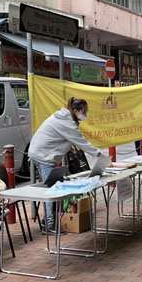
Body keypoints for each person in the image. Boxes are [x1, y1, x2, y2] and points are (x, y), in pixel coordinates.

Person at [28, 97, 106, 233]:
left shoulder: (65, 119)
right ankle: (49, 224)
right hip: (42, 156)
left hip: (44, 154)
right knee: (51, 190)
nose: (85, 115)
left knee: (55, 186)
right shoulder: (66, 123)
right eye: (83, 112)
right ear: (75, 111)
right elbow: (82, 143)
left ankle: (51, 219)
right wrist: (100, 156)